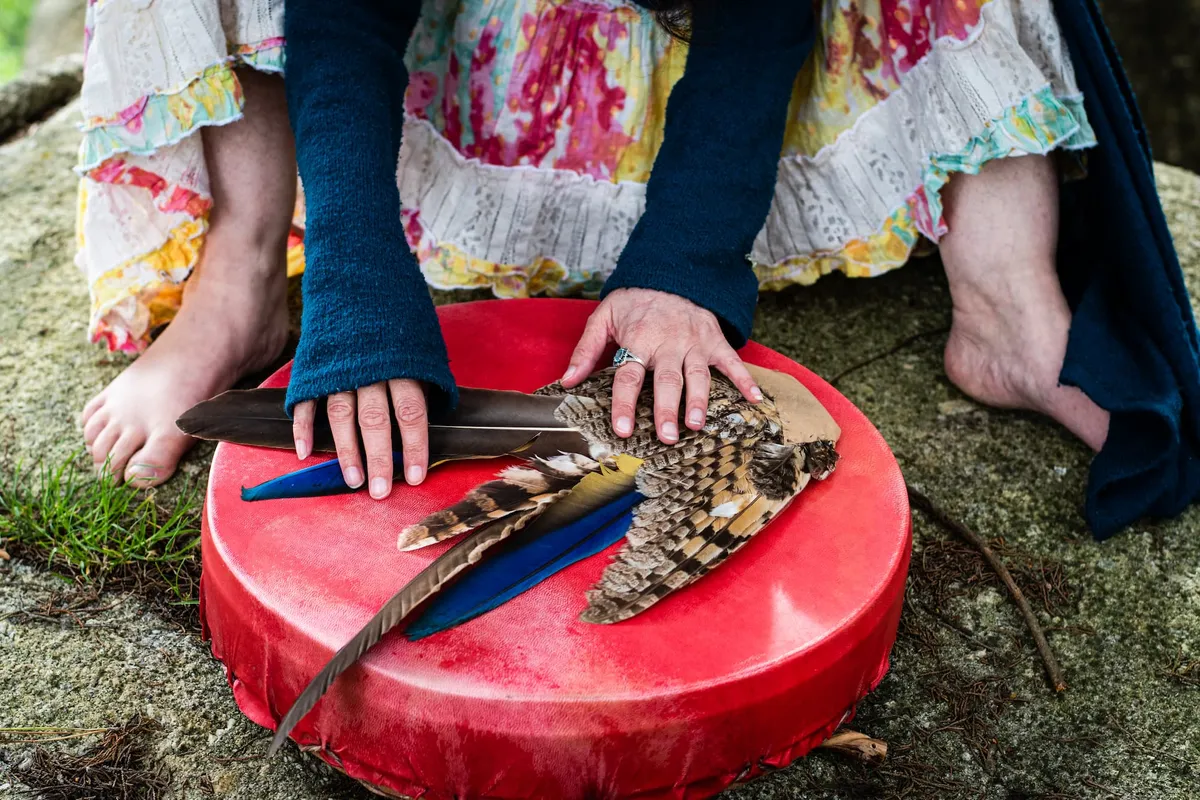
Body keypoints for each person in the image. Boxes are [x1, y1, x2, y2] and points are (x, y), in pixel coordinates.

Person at [75, 0, 1194, 537]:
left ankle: (1010, 301)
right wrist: (361, 271)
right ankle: (244, 273)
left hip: (692, 47)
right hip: (468, 50)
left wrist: (686, 262)